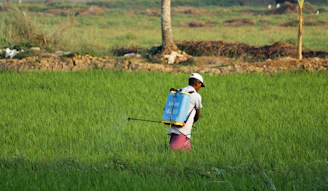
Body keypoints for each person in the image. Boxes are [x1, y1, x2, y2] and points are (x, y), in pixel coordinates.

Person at [167, 73, 205, 151]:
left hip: (174, 125)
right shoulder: (196, 96)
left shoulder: (179, 91)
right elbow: (197, 115)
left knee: (187, 152)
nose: (200, 88)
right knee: (174, 151)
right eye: (201, 86)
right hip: (183, 129)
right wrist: (193, 121)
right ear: (198, 83)